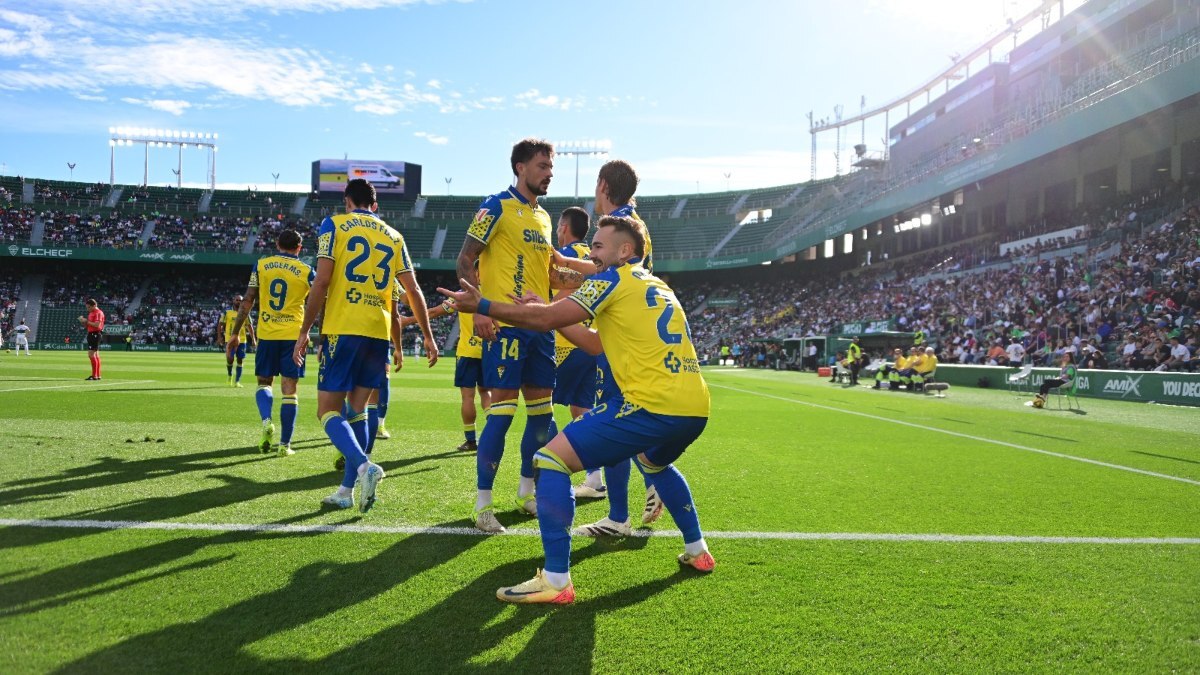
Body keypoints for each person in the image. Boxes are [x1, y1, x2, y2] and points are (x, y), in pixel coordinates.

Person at [439, 214, 714, 605]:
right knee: (655, 465)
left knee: (550, 461)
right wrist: (547, 308)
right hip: (695, 407)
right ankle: (698, 550)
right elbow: (595, 344)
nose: (591, 254)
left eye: (599, 247)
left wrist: (483, 303)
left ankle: (555, 580)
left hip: (651, 405)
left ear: (625, 250)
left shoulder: (611, 279)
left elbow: (551, 318)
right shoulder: (656, 285)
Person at [454, 138, 595, 533]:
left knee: (540, 418)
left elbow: (551, 275)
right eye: (541, 166)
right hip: (505, 327)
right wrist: (480, 308)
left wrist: (591, 282)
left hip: (541, 330)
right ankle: (482, 505)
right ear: (519, 167)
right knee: (500, 416)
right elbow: (464, 260)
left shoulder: (545, 218)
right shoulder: (494, 206)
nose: (549, 173)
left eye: (551, 167)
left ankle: (525, 492)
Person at [293, 178, 438, 513]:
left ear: (347, 201)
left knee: (328, 410)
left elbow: (324, 279)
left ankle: (363, 466)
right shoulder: (393, 235)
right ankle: (346, 491)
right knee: (358, 410)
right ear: (375, 206)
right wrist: (428, 336)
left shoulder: (335, 224)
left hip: (344, 326)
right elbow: (413, 290)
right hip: (378, 331)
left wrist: (305, 330)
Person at [574, 159, 664, 533]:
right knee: (624, 420)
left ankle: (621, 513)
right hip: (625, 334)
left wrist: (560, 265)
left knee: (617, 421)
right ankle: (630, 503)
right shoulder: (632, 223)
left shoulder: (622, 225)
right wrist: (567, 267)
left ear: (602, 185)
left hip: (622, 339)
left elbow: (612, 276)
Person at [230, 229, 313, 457]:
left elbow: (247, 300)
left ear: (277, 244)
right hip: (293, 337)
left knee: (264, 383)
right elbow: (319, 300)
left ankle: (266, 421)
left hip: (267, 334)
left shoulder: (261, 265)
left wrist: (235, 333)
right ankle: (285, 446)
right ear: (299, 247)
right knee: (289, 391)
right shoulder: (307, 271)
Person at [551, 206, 606, 499]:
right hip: (591, 342)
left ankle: (545, 471)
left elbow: (561, 295)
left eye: (558, 226)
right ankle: (594, 478)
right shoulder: (594, 256)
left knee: (539, 405)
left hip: (567, 345)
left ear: (563, 227)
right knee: (581, 411)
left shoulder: (567, 257)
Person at [403, 297, 492, 452]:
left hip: (467, 353)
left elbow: (433, 311)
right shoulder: (493, 291)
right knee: (486, 392)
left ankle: (471, 441)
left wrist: (407, 321)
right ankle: (494, 433)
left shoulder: (460, 295)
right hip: (489, 351)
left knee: (468, 397)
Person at [217, 295, 257, 387]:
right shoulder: (227, 312)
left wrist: (254, 339)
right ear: (233, 300)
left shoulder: (245, 312)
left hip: (242, 340)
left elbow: (249, 326)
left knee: (240, 360)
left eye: (240, 300)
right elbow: (220, 324)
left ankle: (237, 381)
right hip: (229, 340)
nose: (239, 301)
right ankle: (230, 376)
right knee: (230, 359)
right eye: (237, 300)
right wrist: (219, 337)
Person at [79, 300, 105, 380]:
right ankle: (97, 375)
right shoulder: (91, 313)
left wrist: (87, 321)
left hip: (95, 334)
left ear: (94, 305)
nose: (88, 309)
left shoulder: (98, 312)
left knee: (91, 355)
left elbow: (97, 325)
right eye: (87, 307)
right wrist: (83, 322)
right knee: (96, 355)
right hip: (92, 334)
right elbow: (89, 325)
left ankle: (94, 376)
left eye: (89, 307)